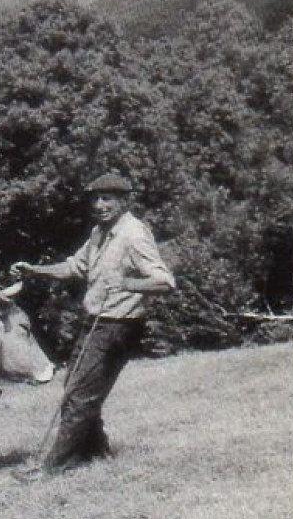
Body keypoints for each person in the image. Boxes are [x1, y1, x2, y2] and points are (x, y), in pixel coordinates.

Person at [12, 172, 176, 476]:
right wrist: (35, 270)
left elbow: (165, 281)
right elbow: (75, 267)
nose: (99, 205)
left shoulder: (134, 234)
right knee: (79, 386)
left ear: (124, 201)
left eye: (107, 199)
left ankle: (53, 467)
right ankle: (96, 452)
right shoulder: (100, 233)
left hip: (119, 326)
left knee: (80, 392)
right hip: (95, 322)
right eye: (95, 198)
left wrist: (126, 282)